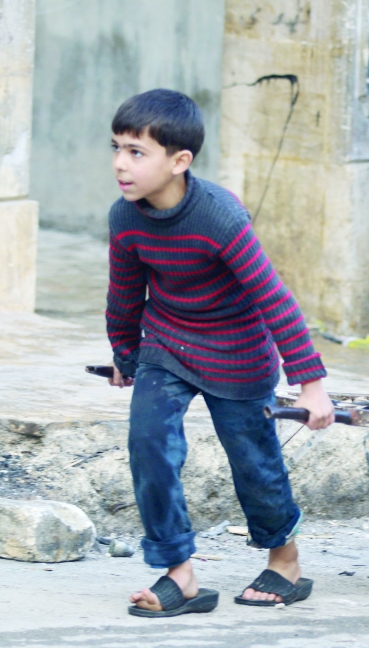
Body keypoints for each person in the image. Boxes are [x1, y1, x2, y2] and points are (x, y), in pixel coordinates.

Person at [104, 89, 336, 617]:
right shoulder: (125, 217)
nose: (121, 162)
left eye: (137, 152)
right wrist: (124, 352)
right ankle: (179, 573)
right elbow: (124, 292)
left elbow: (273, 298)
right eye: (117, 147)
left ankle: (285, 561)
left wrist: (311, 382)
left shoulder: (219, 217)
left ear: (179, 161)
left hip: (237, 350)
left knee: (254, 462)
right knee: (148, 443)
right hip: (166, 343)